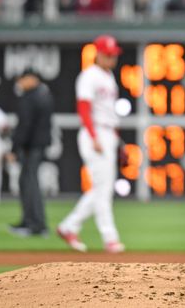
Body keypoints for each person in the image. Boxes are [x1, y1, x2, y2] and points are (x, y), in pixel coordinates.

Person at [57, 35, 125, 254]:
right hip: (94, 133)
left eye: (113, 54)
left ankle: (69, 226)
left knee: (101, 189)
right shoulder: (89, 76)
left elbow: (108, 112)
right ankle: (110, 238)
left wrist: (117, 142)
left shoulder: (108, 75)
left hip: (107, 133)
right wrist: (94, 136)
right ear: (97, 53)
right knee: (103, 190)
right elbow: (84, 108)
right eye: (108, 54)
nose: (112, 58)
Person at [7, 69, 54, 237]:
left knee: (30, 183)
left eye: (22, 79)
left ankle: (36, 225)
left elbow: (24, 125)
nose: (19, 83)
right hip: (38, 145)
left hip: (30, 146)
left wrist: (14, 148)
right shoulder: (44, 94)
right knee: (27, 181)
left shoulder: (31, 97)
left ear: (31, 79)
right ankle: (29, 221)